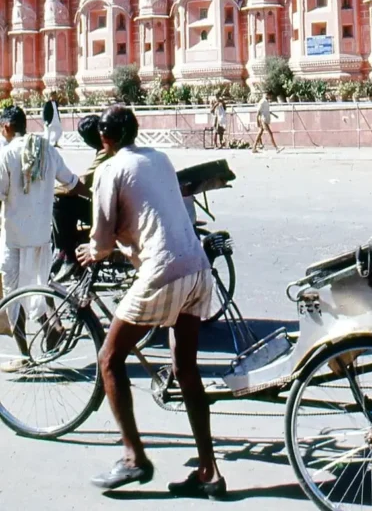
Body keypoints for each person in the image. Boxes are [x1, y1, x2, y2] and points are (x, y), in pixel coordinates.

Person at [76, 105, 226, 498]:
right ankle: (208, 471)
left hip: (164, 272)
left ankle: (133, 458)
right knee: (186, 369)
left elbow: (103, 241)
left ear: (103, 140)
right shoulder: (159, 158)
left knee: (109, 358)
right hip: (197, 268)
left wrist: (93, 251)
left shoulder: (109, 169)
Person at [0, 106, 86, 366]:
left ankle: (25, 355)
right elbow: (72, 183)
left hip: (14, 238)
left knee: (12, 295)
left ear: (5, 127)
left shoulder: (7, 154)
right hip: (41, 236)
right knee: (39, 286)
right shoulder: (48, 149)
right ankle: (53, 327)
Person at [51, 115, 110, 283]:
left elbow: (82, 182)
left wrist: (54, 190)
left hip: (110, 210)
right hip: (109, 204)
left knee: (59, 202)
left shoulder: (105, 153)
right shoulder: (104, 150)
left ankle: (68, 255)